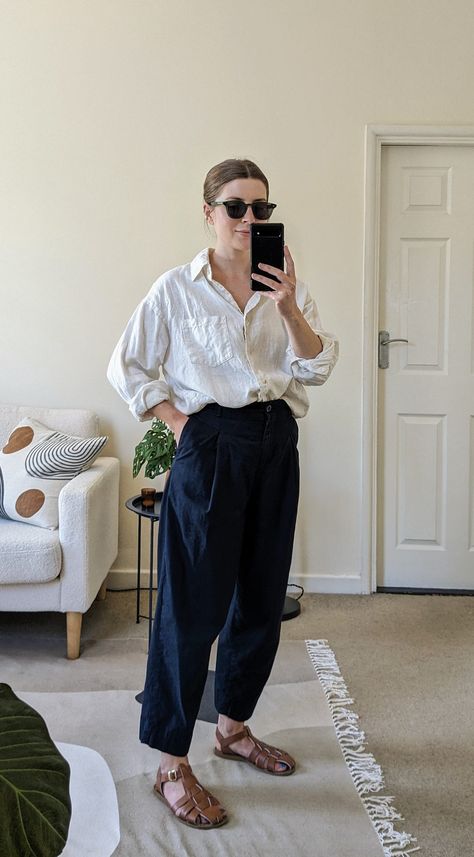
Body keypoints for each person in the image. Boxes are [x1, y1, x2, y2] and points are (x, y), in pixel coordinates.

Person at [107, 157, 338, 829]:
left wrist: (288, 306)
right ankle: (170, 764)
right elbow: (127, 365)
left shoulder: (282, 284)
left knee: (261, 598)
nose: (249, 220)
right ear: (208, 214)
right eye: (236, 207)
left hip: (275, 442)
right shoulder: (176, 289)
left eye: (260, 208)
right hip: (211, 445)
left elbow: (316, 365)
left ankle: (232, 728)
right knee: (191, 605)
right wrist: (180, 423)